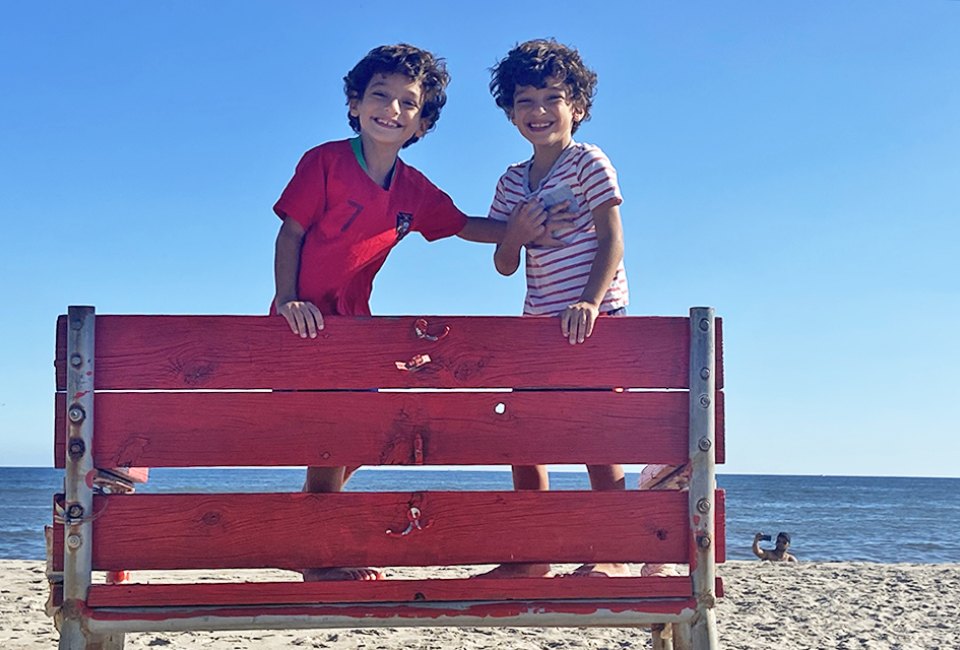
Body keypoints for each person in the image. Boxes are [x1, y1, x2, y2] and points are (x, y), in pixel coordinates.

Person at [272, 44, 571, 581]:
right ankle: (318, 559)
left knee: (363, 430)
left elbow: (462, 226)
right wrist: (289, 299)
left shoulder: (412, 188)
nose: (391, 109)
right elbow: (290, 232)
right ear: (354, 102)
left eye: (408, 103)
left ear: (422, 120)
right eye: (379, 96)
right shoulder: (325, 162)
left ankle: (314, 527)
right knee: (337, 433)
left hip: (354, 328)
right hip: (304, 325)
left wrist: (521, 233)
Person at [479, 39, 629, 578]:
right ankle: (532, 554)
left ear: (577, 108)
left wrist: (590, 301)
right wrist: (513, 235)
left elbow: (613, 239)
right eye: (525, 101)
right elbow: (503, 265)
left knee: (596, 435)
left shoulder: (588, 161)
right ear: (510, 111)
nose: (538, 111)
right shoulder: (511, 182)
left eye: (552, 98)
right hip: (537, 324)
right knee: (525, 437)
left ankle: (608, 553)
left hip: (595, 319)